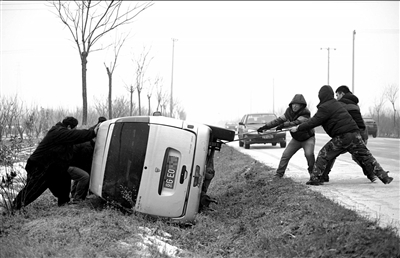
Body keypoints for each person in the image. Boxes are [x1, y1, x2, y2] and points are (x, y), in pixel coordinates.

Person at [291, 85, 393, 185]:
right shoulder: (336, 104)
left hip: (343, 136)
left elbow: (313, 121)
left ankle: (315, 178)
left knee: (324, 154)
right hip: (355, 134)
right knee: (366, 157)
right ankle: (384, 177)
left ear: (321, 96)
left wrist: (298, 128)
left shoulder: (325, 107)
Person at [13, 117, 99, 209]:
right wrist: (93, 132)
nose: (75, 130)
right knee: (33, 190)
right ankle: (14, 208)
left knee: (65, 179)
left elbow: (78, 135)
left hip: (51, 167)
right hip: (39, 166)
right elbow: (77, 135)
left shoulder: (61, 132)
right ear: (69, 127)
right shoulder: (58, 132)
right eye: (74, 129)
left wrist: (97, 126)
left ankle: (64, 203)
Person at [321, 86, 376, 182]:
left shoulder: (341, 104)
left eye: (337, 95)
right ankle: (371, 174)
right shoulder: (354, 103)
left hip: (350, 134)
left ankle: (323, 175)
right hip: (362, 132)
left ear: (342, 94)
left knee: (331, 152)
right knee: (359, 156)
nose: (336, 98)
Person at [256, 94, 316, 178]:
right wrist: (265, 127)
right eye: (293, 104)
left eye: (297, 104)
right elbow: (278, 120)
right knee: (285, 155)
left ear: (301, 105)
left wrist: (284, 125)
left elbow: (297, 123)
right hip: (296, 139)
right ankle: (279, 174)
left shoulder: (305, 113)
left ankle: (313, 173)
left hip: (308, 138)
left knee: (309, 154)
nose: (294, 106)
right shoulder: (289, 112)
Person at [68, 116, 106, 203]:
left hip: (73, 163)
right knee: (85, 176)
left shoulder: (89, 139)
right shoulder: (87, 146)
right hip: (70, 164)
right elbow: (85, 165)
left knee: (80, 176)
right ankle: (78, 199)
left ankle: (75, 195)